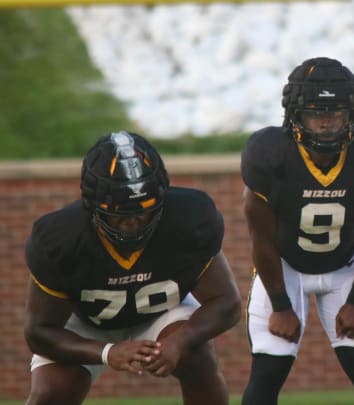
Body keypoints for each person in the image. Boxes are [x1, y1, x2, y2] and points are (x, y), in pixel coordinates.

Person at [23, 131, 242, 405]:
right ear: (93, 206)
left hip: (160, 313)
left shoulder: (189, 219)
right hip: (87, 321)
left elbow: (227, 303)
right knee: (50, 393)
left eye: (144, 210)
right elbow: (39, 332)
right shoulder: (60, 239)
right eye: (118, 213)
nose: (133, 222)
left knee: (197, 356)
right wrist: (107, 352)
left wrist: (180, 341)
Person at [240, 56, 354, 405]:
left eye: (336, 112)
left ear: (352, 113)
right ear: (295, 115)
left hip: (345, 264)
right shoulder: (270, 154)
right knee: (268, 369)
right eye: (315, 112)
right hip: (284, 266)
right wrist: (280, 305)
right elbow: (261, 239)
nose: (326, 123)